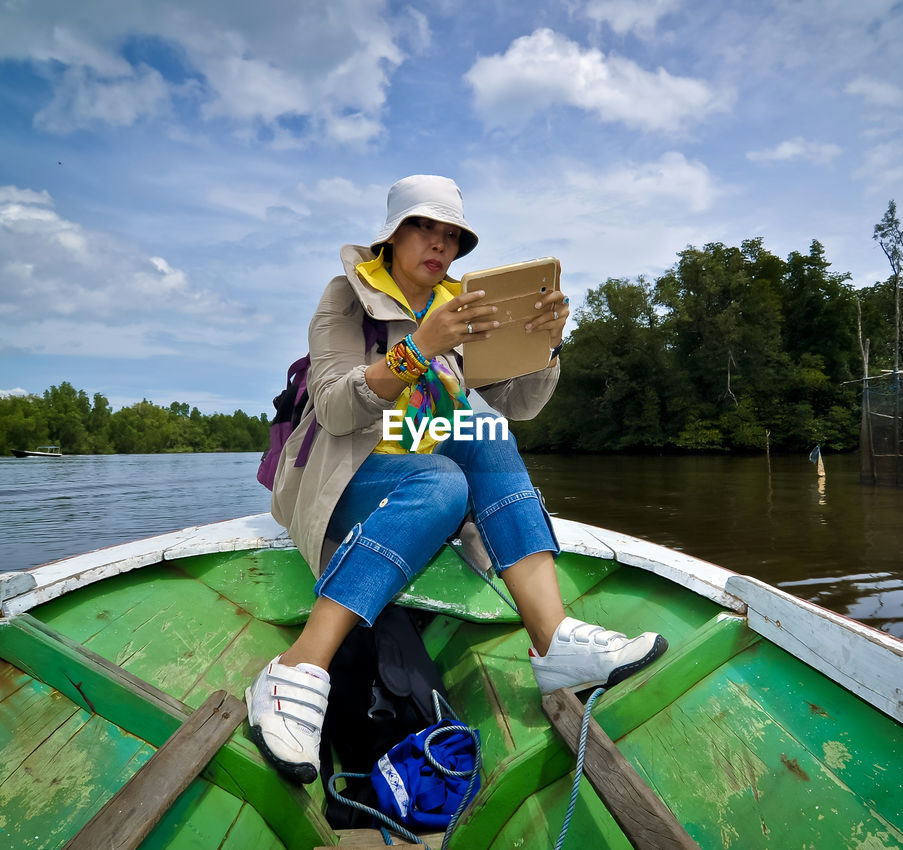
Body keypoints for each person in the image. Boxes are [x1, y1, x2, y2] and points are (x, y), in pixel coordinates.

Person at [246, 175, 667, 784]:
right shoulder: (346, 296)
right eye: (424, 228)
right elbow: (336, 408)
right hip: (345, 474)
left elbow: (517, 403)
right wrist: (419, 346)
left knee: (486, 435)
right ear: (392, 236)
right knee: (442, 481)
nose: (439, 245)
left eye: (452, 236)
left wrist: (544, 345)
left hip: (422, 462)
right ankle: (295, 670)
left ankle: (554, 643)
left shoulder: (461, 305)